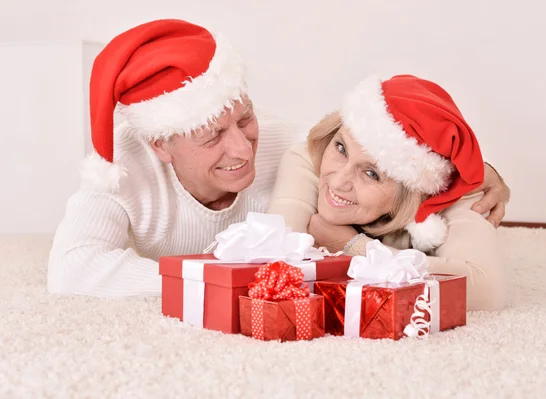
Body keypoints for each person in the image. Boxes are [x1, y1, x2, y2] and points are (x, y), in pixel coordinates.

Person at [47, 19, 509, 298]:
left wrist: (477, 174)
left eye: (244, 119)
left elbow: (375, 146)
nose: (243, 148)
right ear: (160, 145)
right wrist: (217, 279)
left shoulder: (292, 145)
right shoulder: (118, 173)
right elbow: (72, 269)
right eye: (212, 137)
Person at [267, 74, 510, 311]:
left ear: (411, 194)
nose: (339, 181)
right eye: (341, 148)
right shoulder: (311, 158)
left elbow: (487, 292)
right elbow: (271, 257)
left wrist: (350, 245)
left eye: (372, 173)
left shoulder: (452, 192)